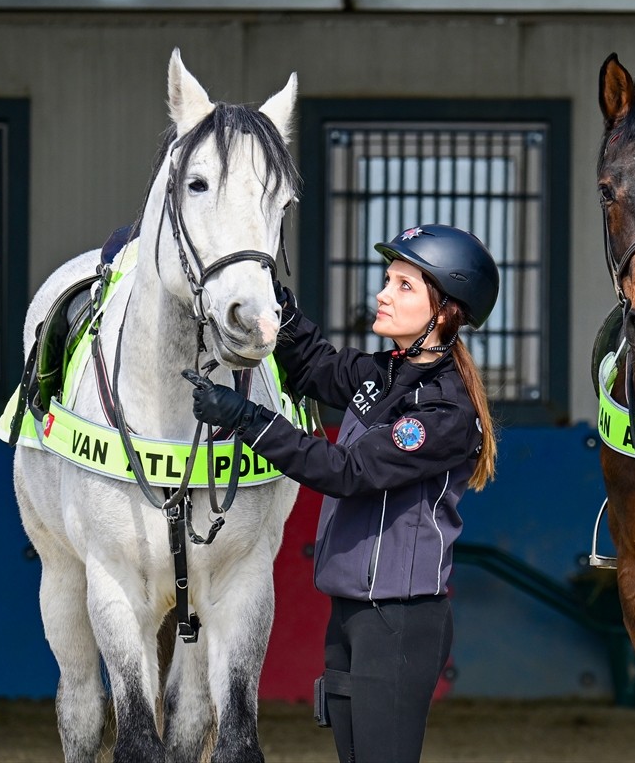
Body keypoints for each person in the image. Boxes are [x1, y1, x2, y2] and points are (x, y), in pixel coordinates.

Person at [182, 223, 500, 763]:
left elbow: (345, 470)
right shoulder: (381, 374)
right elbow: (312, 366)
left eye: (404, 286)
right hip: (351, 612)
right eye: (388, 279)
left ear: (445, 312)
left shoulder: (443, 412)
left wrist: (245, 418)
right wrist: (275, 307)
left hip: (398, 620)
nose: (382, 293)